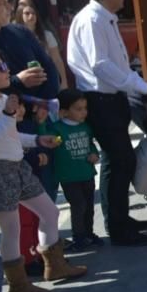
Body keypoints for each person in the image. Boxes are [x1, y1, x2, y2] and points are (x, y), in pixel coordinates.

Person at [0, 46, 86, 292]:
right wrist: (7, 115)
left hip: (17, 165)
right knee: (11, 229)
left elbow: (10, 137)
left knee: (50, 211)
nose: (7, 70)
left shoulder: (3, 100)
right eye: (0, 67)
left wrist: (37, 140)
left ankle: (54, 265)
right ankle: (18, 285)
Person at [65, 0, 147, 246]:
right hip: (101, 99)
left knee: (119, 162)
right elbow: (100, 65)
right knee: (119, 161)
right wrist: (139, 86)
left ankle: (120, 219)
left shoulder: (103, 18)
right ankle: (118, 228)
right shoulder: (93, 19)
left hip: (111, 98)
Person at [43, 89, 102, 252]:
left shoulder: (86, 127)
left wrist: (94, 154)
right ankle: (79, 236)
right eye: (78, 109)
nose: (84, 112)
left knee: (89, 205)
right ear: (63, 112)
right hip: (69, 176)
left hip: (87, 173)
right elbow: (47, 141)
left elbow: (91, 145)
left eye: (85, 108)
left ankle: (89, 233)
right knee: (79, 205)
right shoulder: (57, 129)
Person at [12, 0, 67, 89]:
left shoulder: (47, 35)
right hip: (26, 82)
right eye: (27, 13)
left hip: (47, 79)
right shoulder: (13, 37)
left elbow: (57, 59)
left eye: (33, 13)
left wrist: (64, 83)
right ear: (19, 16)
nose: (31, 16)